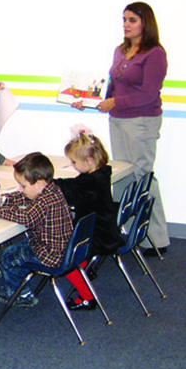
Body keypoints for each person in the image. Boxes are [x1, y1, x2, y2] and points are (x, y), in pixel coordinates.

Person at [74, 1, 170, 255]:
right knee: (123, 174)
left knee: (142, 175)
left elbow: (149, 93)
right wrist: (90, 101)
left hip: (141, 120)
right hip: (117, 119)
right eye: (124, 20)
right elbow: (112, 87)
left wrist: (115, 102)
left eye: (132, 20)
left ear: (145, 23)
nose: (126, 25)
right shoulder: (121, 50)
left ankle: (156, 239)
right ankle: (124, 233)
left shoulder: (154, 53)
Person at [0, 152, 73, 307]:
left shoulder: (45, 200)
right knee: (14, 250)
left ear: (39, 183)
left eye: (23, 185)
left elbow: (27, 218)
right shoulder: (51, 189)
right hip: (62, 247)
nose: (20, 189)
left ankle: (17, 294)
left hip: (50, 253)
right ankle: (21, 289)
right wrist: (6, 199)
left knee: (8, 257)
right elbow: (25, 197)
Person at [55, 125, 124, 311]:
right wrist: (56, 183)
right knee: (72, 253)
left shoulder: (91, 182)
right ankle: (85, 269)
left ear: (89, 160)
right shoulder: (100, 174)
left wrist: (49, 185)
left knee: (65, 261)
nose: (72, 165)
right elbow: (74, 185)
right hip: (105, 231)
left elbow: (72, 193)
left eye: (74, 162)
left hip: (97, 237)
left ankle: (87, 297)